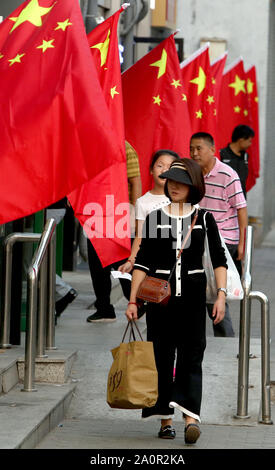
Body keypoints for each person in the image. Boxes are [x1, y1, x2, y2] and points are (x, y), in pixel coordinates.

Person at [126, 158, 227, 445]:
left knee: (192, 356)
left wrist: (220, 295)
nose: (174, 186)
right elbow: (142, 264)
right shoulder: (155, 217)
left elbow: (219, 260)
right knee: (161, 357)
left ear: (194, 185)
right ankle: (165, 420)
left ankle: (191, 418)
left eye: (181, 182)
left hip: (193, 300)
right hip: (160, 301)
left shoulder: (205, 218)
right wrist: (133, 301)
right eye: (171, 181)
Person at [190, 132, 248, 337]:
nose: (195, 153)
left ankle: (226, 336)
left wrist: (242, 244)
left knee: (216, 292)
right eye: (192, 149)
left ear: (212, 149)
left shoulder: (228, 174)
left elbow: (241, 209)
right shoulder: (192, 173)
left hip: (225, 241)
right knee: (201, 290)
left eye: (199, 148)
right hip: (198, 239)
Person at [86, 141, 142, 323]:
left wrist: (134, 212)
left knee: (121, 261)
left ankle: (137, 302)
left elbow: (135, 182)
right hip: (95, 213)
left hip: (119, 214)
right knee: (96, 264)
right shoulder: (89, 146)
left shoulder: (124, 147)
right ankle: (104, 308)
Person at [118, 149, 181, 275]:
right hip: (152, 264)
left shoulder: (182, 198)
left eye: (169, 167)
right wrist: (131, 261)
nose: (164, 170)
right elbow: (139, 236)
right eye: (160, 166)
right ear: (151, 170)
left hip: (178, 263)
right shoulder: (143, 202)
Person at [220, 124, 255, 199]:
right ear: (241, 140)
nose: (250, 144)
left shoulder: (245, 156)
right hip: (224, 200)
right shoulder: (222, 154)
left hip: (241, 200)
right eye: (249, 141)